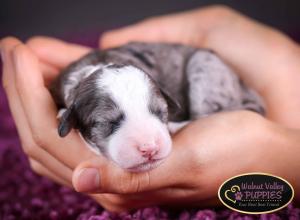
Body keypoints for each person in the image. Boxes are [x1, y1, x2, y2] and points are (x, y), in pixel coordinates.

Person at [1, 5, 300, 212]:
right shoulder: (69, 99)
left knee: (203, 69)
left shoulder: (157, 79)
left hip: (202, 70)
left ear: (167, 101)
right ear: (70, 121)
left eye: (158, 112)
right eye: (111, 123)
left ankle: (214, 113)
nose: (148, 145)